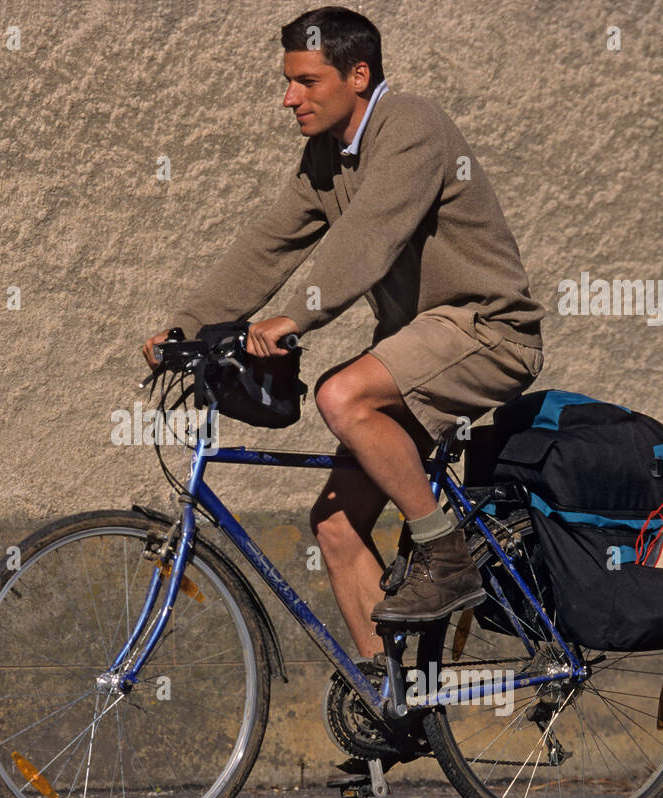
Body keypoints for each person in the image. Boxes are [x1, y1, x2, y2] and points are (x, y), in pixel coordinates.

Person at [142, 6, 545, 661]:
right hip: (420, 347)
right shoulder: (324, 158)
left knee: (340, 395)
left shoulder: (412, 125)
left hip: (487, 331)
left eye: (306, 81)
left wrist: (292, 316)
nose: (288, 97)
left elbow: (370, 237)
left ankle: (444, 555)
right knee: (333, 525)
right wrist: (185, 327)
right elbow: (268, 245)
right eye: (287, 81)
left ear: (358, 75)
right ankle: (390, 698)